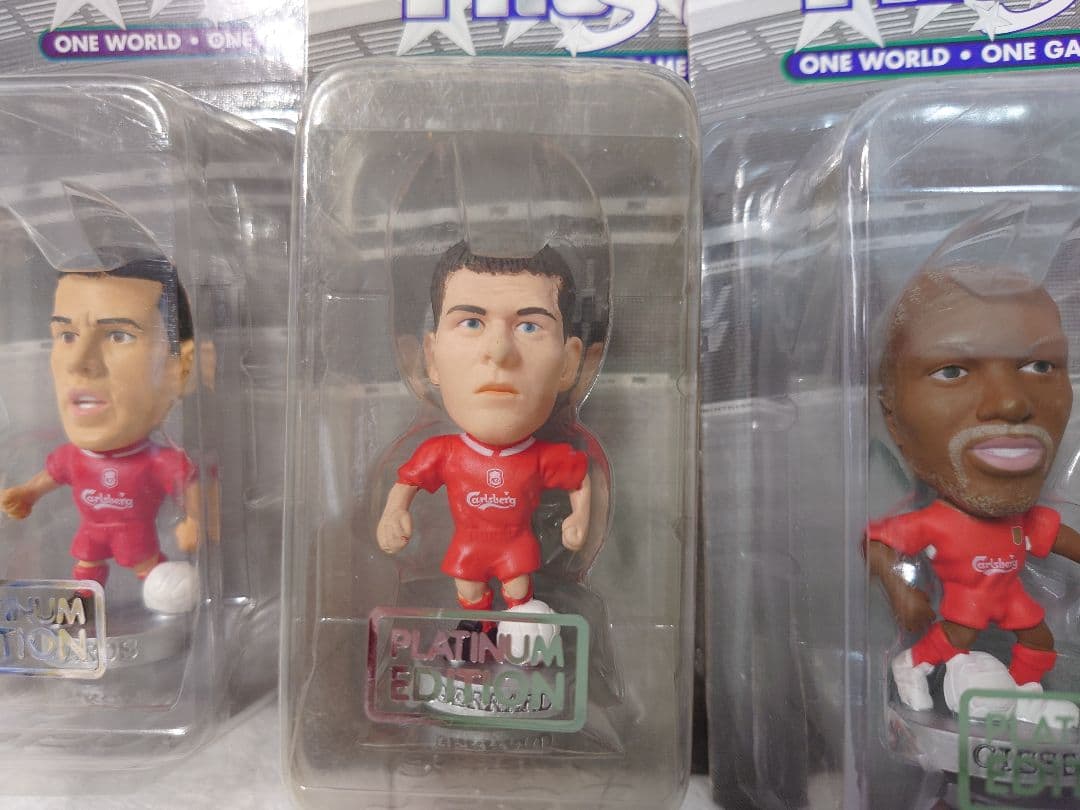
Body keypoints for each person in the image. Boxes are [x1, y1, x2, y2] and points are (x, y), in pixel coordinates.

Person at [867, 262, 1080, 726]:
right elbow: (877, 542)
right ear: (892, 418)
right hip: (969, 600)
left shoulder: (1022, 522)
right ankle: (912, 664)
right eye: (952, 371)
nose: (1011, 403)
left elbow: (1063, 540)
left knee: (1039, 640)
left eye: (1041, 366)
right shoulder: (938, 521)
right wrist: (902, 593)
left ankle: (1026, 693)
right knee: (956, 637)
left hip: (1007, 594)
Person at [377, 241, 590, 620]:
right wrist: (393, 513)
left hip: (516, 548)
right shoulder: (444, 453)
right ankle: (477, 637)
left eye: (529, 326)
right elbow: (407, 482)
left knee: (519, 591)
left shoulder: (539, 457)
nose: (499, 351)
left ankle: (521, 635)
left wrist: (580, 517)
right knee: (469, 591)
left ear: (568, 364)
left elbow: (578, 479)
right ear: (431, 358)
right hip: (468, 548)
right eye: (471, 323)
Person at [0, 253, 201, 604]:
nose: (78, 363)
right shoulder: (73, 457)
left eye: (119, 335)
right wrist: (27, 494)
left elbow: (191, 487)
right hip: (92, 532)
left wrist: (197, 521)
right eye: (66, 335)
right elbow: (51, 477)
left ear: (180, 369)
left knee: (147, 567)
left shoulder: (156, 460)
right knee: (86, 565)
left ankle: (163, 598)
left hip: (134, 535)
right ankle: (82, 603)